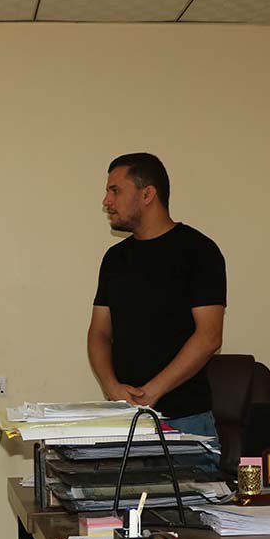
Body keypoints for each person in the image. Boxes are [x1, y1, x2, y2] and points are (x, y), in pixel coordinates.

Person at [87, 152, 226, 445]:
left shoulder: (199, 251)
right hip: (125, 421)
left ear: (147, 194)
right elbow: (99, 333)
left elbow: (209, 336)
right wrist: (112, 388)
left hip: (186, 421)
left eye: (115, 190)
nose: (106, 201)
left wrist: (152, 392)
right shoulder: (115, 259)